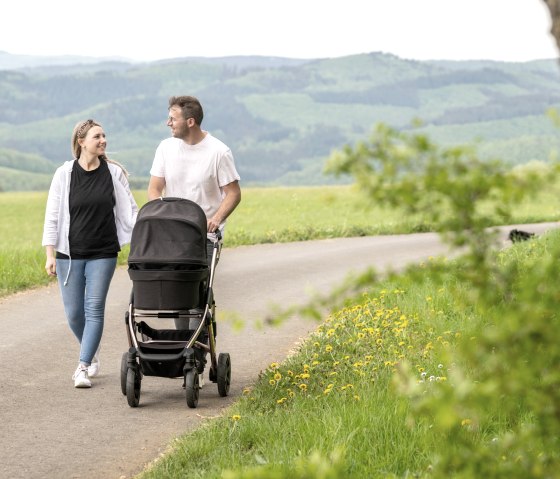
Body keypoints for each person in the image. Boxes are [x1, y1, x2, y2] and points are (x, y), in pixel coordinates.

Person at [42, 119, 138, 388]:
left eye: (104, 135)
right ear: (81, 141)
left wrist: (148, 227)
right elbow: (52, 216)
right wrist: (50, 254)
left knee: (94, 308)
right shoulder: (64, 174)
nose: (103, 140)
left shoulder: (114, 173)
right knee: (74, 313)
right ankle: (91, 350)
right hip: (68, 255)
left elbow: (130, 212)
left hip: (104, 252)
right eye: (97, 136)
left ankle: (82, 366)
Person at [147, 95, 241, 265]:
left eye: (173, 119)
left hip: (203, 237)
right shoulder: (165, 148)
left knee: (198, 288)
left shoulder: (219, 152)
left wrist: (216, 219)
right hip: (170, 234)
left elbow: (233, 193)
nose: (168, 123)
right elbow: (154, 189)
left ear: (190, 122)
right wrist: (163, 215)